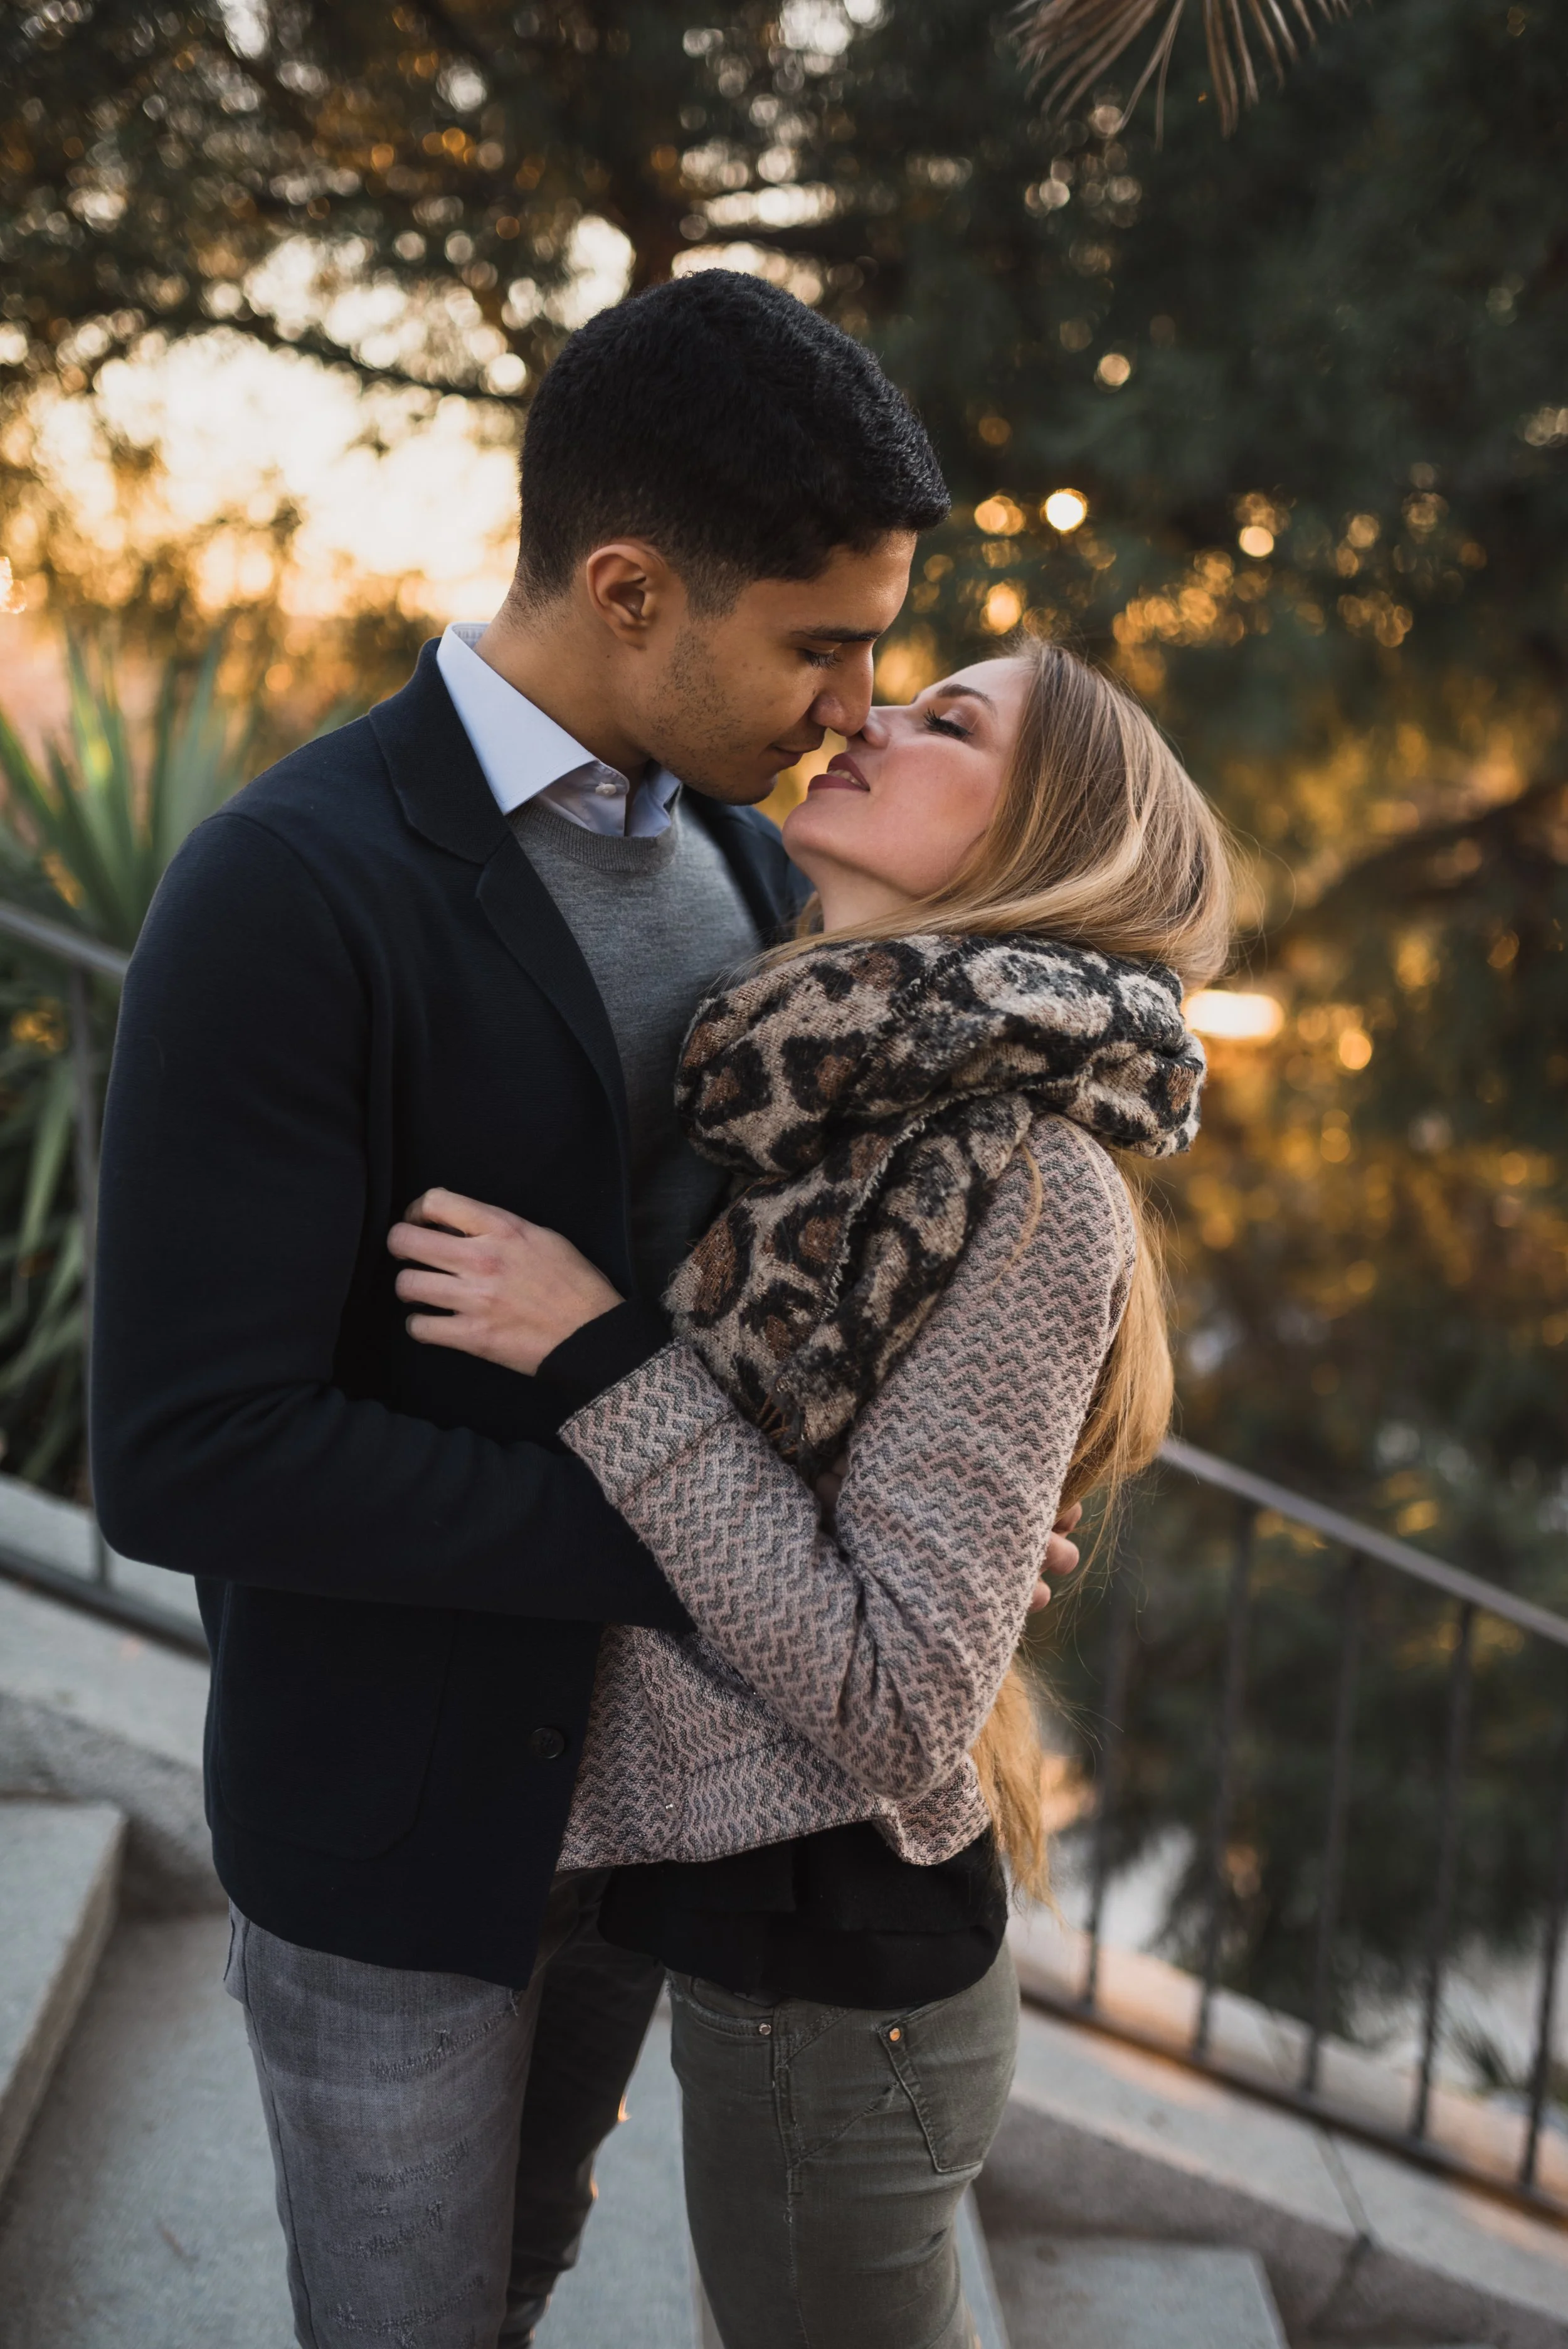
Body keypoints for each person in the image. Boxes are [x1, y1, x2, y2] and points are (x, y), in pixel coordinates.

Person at [89, 271, 988, 2348]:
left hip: (653, 1799)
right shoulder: (286, 889)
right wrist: (720, 1554)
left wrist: (904, 1531)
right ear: (626, 586)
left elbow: (782, 1309)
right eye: (821, 644)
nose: (857, 702)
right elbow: (184, 1450)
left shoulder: (756, 873)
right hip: (398, 1838)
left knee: (517, 2280)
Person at [386, 634, 1236, 2348]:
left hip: (841, 1953)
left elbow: (898, 1701)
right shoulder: (793, 1075)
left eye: (950, 725)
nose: (869, 716)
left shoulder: (1028, 1179)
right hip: (638, 1837)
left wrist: (594, 1350)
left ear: (1046, 838)